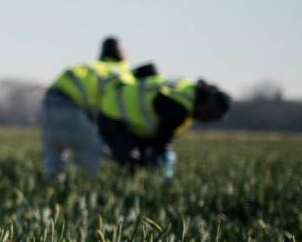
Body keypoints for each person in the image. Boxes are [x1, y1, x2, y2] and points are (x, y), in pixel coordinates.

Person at [98, 74, 231, 180]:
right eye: (209, 115)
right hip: (113, 114)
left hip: (127, 119)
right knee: (130, 162)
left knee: (138, 161)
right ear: (206, 104)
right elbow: (160, 141)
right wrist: (163, 162)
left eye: (212, 119)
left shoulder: (188, 97)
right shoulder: (179, 107)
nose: (206, 120)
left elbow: (158, 139)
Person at [40, 37, 131, 178]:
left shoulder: (93, 67)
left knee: (55, 150)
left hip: (49, 100)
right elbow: (115, 113)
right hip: (70, 105)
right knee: (90, 154)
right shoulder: (122, 75)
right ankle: (91, 186)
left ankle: (51, 185)